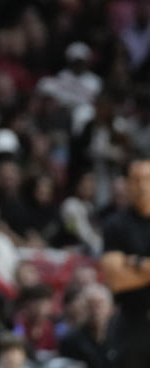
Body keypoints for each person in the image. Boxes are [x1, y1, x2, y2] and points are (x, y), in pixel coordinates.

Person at [99, 156, 150, 368]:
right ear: (128, 185)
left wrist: (135, 264)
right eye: (135, 180)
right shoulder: (115, 224)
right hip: (132, 322)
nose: (142, 186)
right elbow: (115, 278)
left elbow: (124, 272)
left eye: (147, 179)